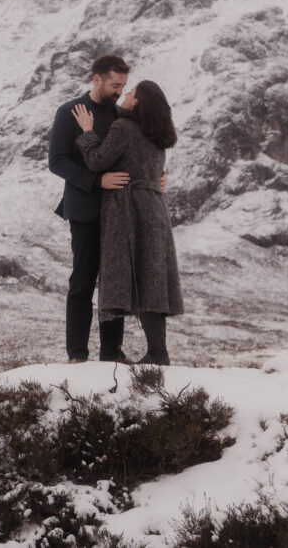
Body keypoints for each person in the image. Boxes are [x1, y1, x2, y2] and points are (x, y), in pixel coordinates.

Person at [70, 80, 183, 365]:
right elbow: (152, 170)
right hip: (155, 210)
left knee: (135, 279)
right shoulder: (158, 137)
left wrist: (86, 131)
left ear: (138, 102)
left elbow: (97, 160)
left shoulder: (124, 128)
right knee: (153, 280)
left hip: (128, 212)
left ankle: (153, 354)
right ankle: (158, 351)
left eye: (131, 93)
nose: (126, 95)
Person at [48, 55, 132, 364]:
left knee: (115, 284)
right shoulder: (69, 112)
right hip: (84, 210)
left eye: (123, 86)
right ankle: (77, 355)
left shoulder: (122, 115)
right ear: (96, 79)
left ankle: (111, 354)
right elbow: (56, 161)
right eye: (115, 85)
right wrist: (98, 181)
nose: (119, 91)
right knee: (82, 281)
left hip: (118, 212)